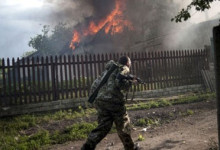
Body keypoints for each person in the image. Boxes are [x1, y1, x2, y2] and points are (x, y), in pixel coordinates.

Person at [81, 56, 139, 150]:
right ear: (127, 63)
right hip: (114, 102)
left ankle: (88, 146)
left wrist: (97, 100)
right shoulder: (124, 68)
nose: (130, 65)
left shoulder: (108, 70)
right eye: (130, 63)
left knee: (104, 126)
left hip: (101, 101)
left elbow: (96, 84)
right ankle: (130, 147)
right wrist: (131, 83)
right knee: (123, 125)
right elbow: (119, 83)